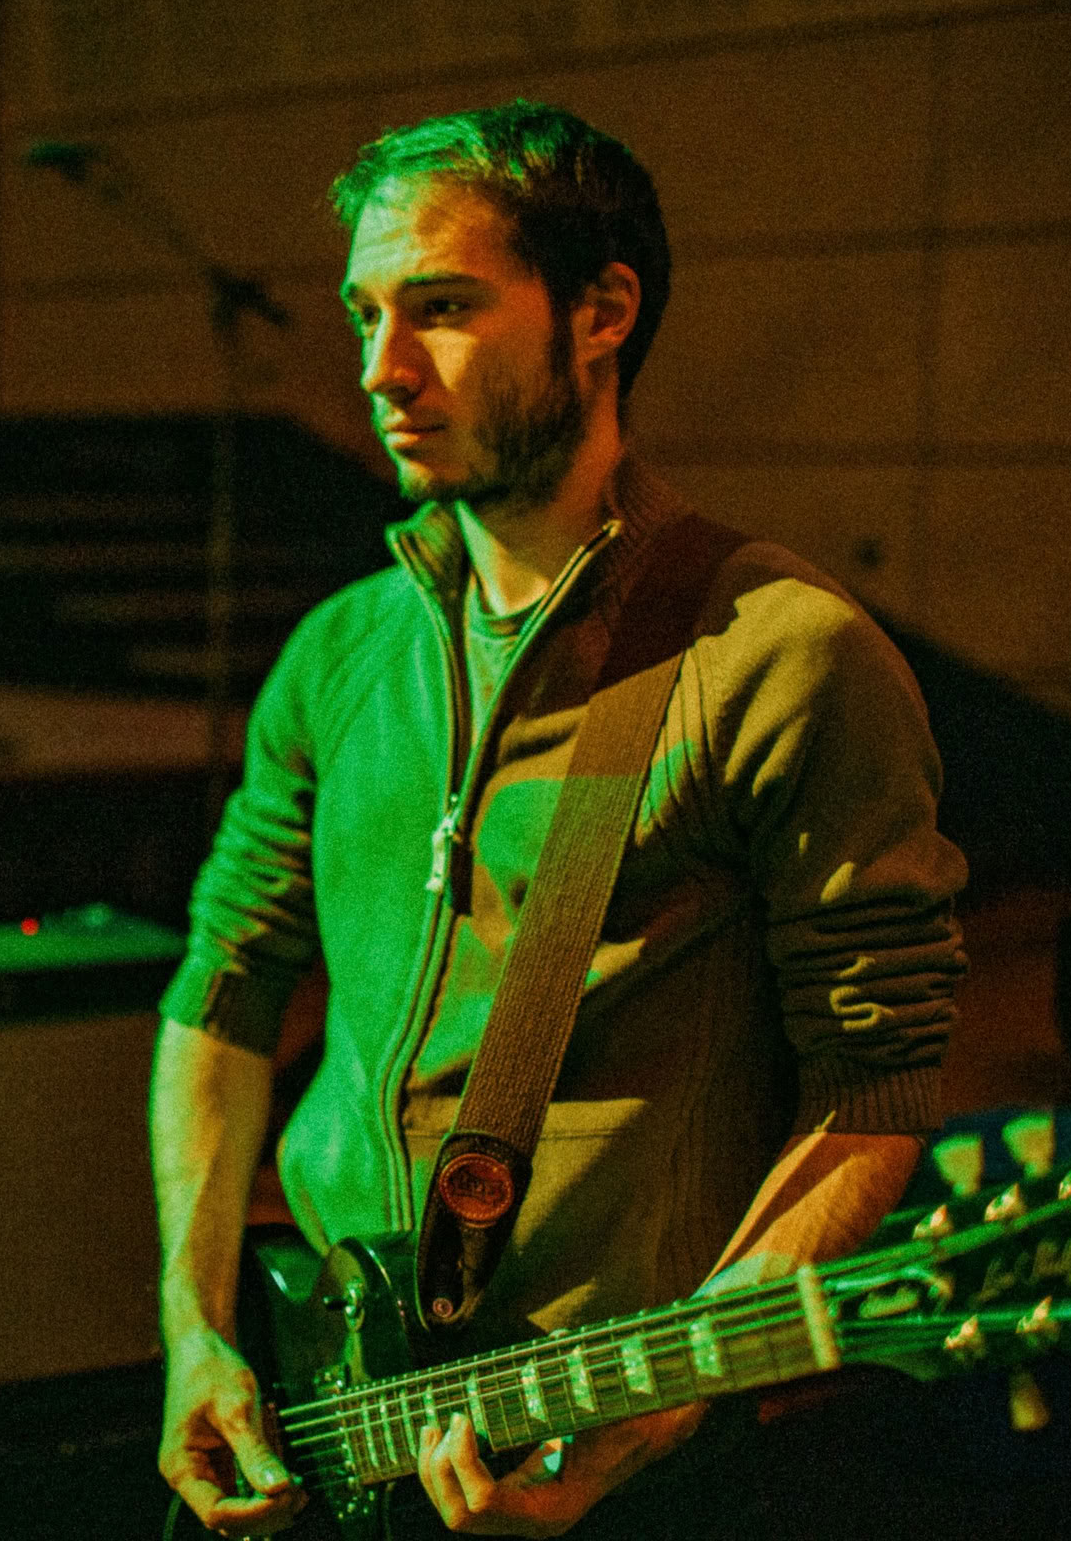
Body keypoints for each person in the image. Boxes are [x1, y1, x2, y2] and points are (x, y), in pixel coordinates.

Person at [150, 99, 968, 1537]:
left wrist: (681, 1386)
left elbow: (880, 1086)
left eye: (444, 310)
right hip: (326, 1406)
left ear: (603, 314)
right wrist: (195, 1332)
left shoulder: (781, 654)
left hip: (622, 1453)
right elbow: (221, 994)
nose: (381, 370)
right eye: (365, 316)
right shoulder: (339, 656)